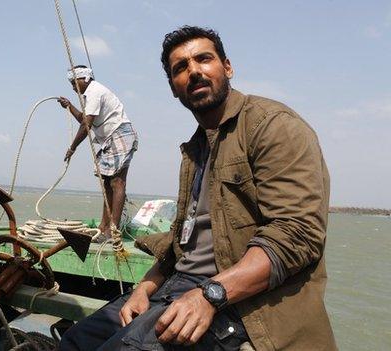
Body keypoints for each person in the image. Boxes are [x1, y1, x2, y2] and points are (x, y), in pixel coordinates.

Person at [59, 26, 336, 350]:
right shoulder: (194, 151)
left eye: (203, 59)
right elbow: (183, 242)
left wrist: (210, 294)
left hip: (242, 303)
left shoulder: (272, 126)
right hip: (176, 287)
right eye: (180, 68)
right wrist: (144, 287)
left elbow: (297, 234)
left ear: (227, 67)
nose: (193, 71)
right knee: (75, 341)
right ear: (174, 88)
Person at [58, 66, 138, 241]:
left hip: (119, 135)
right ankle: (103, 227)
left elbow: (86, 125)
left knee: (117, 182)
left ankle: (112, 231)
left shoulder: (94, 92)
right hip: (111, 137)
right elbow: (84, 119)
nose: (73, 87)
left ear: (85, 78)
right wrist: (70, 105)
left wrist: (72, 147)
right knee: (108, 182)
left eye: (74, 82)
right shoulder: (90, 95)